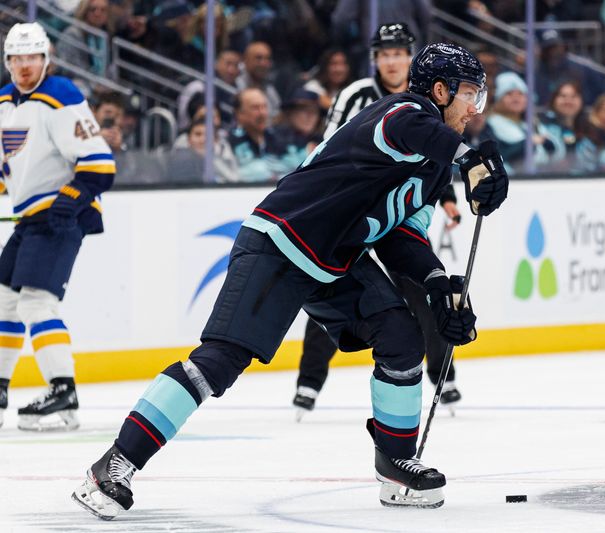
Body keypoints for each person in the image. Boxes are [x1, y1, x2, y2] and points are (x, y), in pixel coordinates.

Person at [72, 42, 507, 517]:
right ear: (441, 91)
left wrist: (438, 284)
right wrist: (470, 158)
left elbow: (401, 235)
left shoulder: (434, 163)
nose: (475, 109)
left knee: (402, 336)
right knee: (219, 362)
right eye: (470, 95)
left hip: (334, 259)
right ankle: (113, 463)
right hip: (279, 243)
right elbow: (409, 127)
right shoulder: (403, 112)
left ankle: (394, 461)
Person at [293, 23, 465, 419]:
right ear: (375, 59)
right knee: (330, 282)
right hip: (353, 209)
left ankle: (444, 375)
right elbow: (331, 146)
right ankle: (309, 382)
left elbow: (439, 155)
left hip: (400, 210)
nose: (392, 61)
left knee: (421, 287)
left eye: (399, 53)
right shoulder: (356, 94)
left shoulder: (430, 98)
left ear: (410, 57)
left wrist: (450, 199)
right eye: (385, 54)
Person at [0, 23, 115, 430]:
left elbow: (100, 164)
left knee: (35, 302)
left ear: (45, 59)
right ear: (8, 61)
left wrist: (70, 200)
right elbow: (10, 166)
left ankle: (62, 387)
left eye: (31, 57)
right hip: (31, 218)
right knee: (5, 300)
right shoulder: (4, 101)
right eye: (16, 58)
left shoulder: (61, 95)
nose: (24, 66)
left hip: (59, 216)